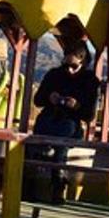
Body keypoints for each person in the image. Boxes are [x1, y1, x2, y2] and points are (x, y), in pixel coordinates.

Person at [32, 44, 99, 203]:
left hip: (71, 124)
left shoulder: (90, 81)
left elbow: (89, 116)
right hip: (48, 119)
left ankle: (58, 186)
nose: (69, 70)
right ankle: (30, 183)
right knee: (34, 141)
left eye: (74, 66)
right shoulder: (54, 75)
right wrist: (50, 97)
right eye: (66, 65)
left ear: (83, 63)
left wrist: (76, 106)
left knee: (62, 143)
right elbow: (37, 100)